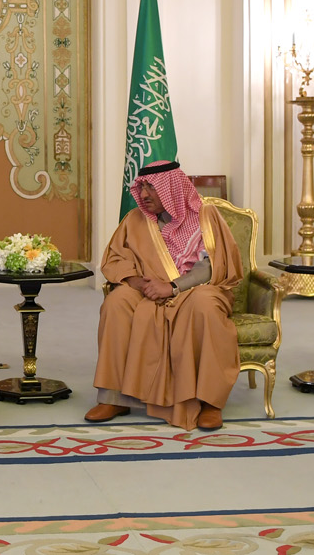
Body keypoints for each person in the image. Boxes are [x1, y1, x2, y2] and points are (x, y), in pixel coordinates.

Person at [88, 161, 243, 431]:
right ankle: (114, 398)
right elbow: (117, 258)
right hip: (148, 289)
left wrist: (171, 287)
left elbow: (212, 265)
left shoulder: (205, 216)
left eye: (151, 187)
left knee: (204, 304)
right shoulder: (135, 220)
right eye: (142, 187)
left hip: (196, 290)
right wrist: (138, 283)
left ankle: (210, 402)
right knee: (117, 302)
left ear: (171, 187)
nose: (144, 194)